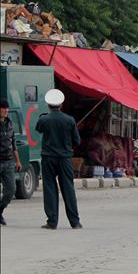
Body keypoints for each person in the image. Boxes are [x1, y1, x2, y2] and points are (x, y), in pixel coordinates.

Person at [36, 89, 82, 230]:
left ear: (49, 105)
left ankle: (52, 221)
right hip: (65, 158)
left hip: (48, 158)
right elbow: (77, 140)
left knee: (50, 188)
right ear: (61, 104)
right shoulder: (69, 120)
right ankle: (75, 222)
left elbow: (38, 129)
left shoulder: (44, 119)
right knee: (68, 188)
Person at [0, 99, 23, 226]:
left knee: (11, 190)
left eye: (7, 109)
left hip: (8, 161)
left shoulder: (10, 123)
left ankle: (0, 210)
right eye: (3, 108)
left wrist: (17, 161)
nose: (5, 111)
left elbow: (13, 143)